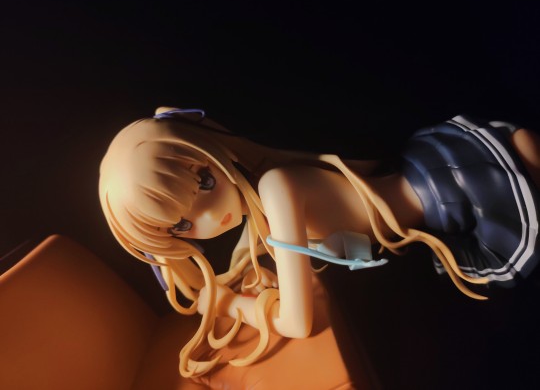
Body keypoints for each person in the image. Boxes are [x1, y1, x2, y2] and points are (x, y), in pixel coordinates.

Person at [98, 107, 540, 378]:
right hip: (435, 172)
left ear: (208, 149)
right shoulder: (266, 201)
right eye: (182, 226)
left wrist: (229, 304)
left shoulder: (276, 188)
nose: (210, 217)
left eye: (205, 181)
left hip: (457, 196)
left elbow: (297, 323)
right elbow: (325, 248)